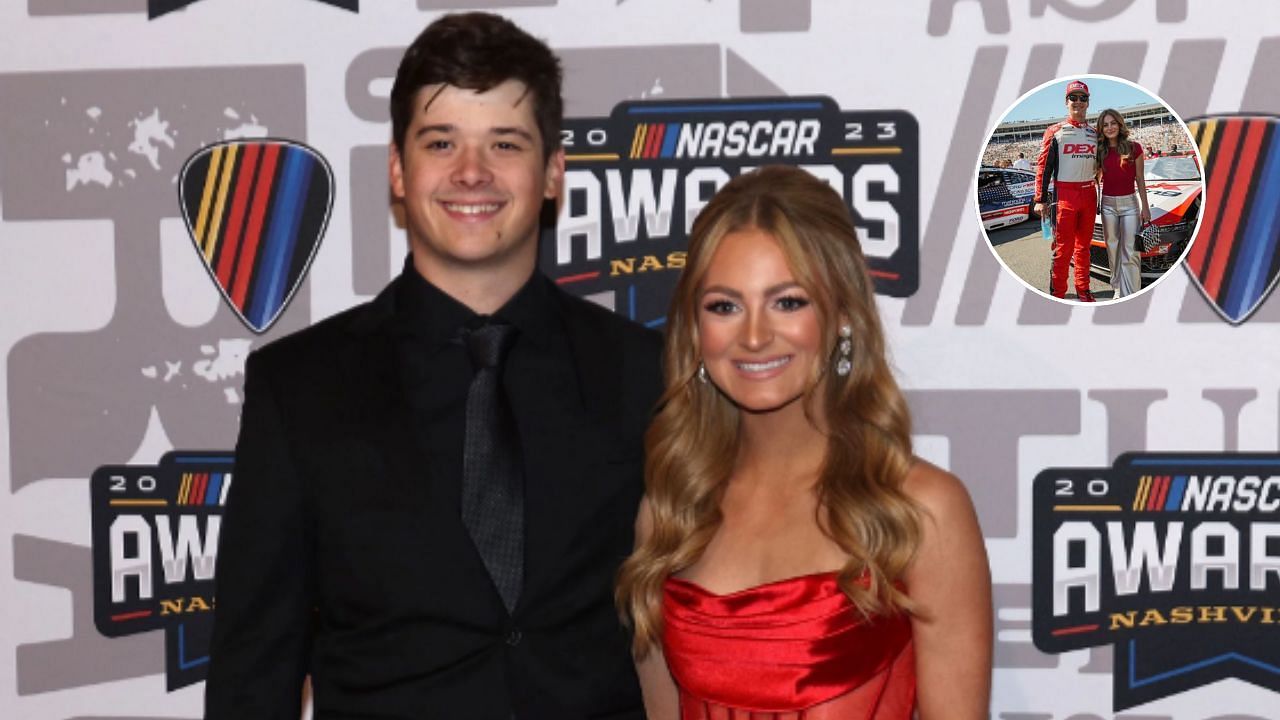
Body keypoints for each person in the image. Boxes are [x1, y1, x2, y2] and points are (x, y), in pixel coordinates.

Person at [204, 12, 662, 719]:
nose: (471, 172)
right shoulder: (299, 388)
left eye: (504, 143)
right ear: (398, 168)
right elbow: (252, 674)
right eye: (441, 141)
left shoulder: (645, 372)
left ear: (553, 172)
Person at [615, 166, 992, 719]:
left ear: (841, 314)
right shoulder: (672, 512)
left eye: (787, 302)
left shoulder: (921, 509)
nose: (753, 336)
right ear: (695, 330)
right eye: (724, 306)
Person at [1034, 79, 1100, 302]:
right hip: (1064, 197)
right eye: (1074, 97)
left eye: (1083, 98)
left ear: (1088, 103)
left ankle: (1084, 290)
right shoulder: (1055, 131)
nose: (1078, 102)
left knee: (1084, 249)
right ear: (1066, 101)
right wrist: (1040, 199)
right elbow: (1043, 167)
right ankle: (1058, 295)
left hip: (1089, 195)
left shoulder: (1095, 133)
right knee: (1063, 250)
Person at [1095, 108, 1150, 298]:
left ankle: (1132, 291)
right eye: (1105, 125)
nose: (1110, 128)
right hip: (1108, 205)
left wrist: (1145, 207)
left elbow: (1140, 179)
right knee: (1112, 248)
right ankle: (1117, 287)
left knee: (1130, 250)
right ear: (1101, 129)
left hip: (1130, 205)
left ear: (1120, 124)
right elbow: (1093, 177)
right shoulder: (1099, 150)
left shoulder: (1135, 147)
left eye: (1113, 123)